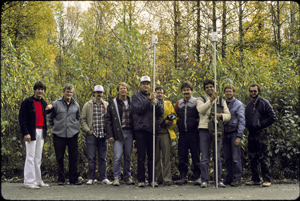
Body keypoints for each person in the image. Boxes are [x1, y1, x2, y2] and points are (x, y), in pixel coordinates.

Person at [197, 79, 231, 188]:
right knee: (204, 156)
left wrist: (220, 116)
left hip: (217, 129)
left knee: (217, 156)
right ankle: (204, 180)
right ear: (205, 89)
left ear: (214, 87)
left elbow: (228, 115)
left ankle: (218, 180)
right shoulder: (200, 99)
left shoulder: (221, 100)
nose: (209, 89)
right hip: (204, 129)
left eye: (211, 86)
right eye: (207, 87)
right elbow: (201, 110)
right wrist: (211, 100)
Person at [131, 75, 163, 187]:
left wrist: (156, 104)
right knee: (141, 156)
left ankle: (152, 179)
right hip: (140, 129)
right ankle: (141, 180)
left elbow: (160, 113)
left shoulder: (154, 98)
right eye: (144, 83)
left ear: (150, 86)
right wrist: (149, 100)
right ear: (140, 85)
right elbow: (139, 110)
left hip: (151, 130)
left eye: (148, 84)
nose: (146, 85)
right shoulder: (135, 97)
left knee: (151, 156)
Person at [47, 84, 81, 185]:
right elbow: (50, 117)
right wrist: (54, 127)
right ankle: (61, 179)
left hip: (73, 134)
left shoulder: (76, 105)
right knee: (59, 157)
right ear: (63, 92)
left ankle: (73, 179)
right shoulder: (56, 104)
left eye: (71, 92)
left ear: (72, 93)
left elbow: (78, 117)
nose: (69, 94)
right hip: (59, 135)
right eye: (67, 92)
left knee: (73, 157)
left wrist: (74, 126)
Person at [19, 81, 50, 189]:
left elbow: (49, 113)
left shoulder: (43, 103)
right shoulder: (27, 102)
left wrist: (51, 107)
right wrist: (26, 133)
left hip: (41, 131)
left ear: (44, 91)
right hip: (31, 132)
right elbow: (22, 119)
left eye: (42, 89)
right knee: (30, 157)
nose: (40, 91)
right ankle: (29, 182)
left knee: (38, 157)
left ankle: (38, 180)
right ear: (35, 90)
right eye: (38, 89)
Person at [245, 83, 276, 187]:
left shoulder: (264, 103)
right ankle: (255, 179)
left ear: (258, 91)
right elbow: (246, 117)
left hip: (262, 133)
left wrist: (261, 124)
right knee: (252, 157)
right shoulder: (249, 104)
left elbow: (272, 117)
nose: (253, 93)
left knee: (264, 156)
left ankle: (267, 179)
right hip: (251, 133)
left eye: (255, 91)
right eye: (251, 91)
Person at [81, 85, 112, 185]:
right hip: (92, 135)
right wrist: (87, 130)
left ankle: (103, 177)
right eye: (97, 92)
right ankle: (91, 178)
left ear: (103, 94)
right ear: (94, 93)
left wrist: (108, 132)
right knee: (91, 158)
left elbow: (110, 120)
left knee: (103, 158)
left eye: (101, 92)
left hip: (103, 135)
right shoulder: (88, 105)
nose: (99, 94)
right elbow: (83, 119)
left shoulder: (107, 104)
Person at [106, 82, 135, 186]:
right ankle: (117, 177)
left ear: (127, 90)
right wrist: (110, 135)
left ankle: (128, 176)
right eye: (121, 88)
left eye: (125, 88)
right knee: (117, 156)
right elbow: (108, 120)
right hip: (118, 133)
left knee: (128, 156)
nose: (123, 90)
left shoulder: (131, 102)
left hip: (129, 132)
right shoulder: (113, 103)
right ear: (118, 90)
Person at [174, 81, 201, 185]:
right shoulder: (178, 103)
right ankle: (183, 176)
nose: (186, 92)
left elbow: (201, 115)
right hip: (182, 133)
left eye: (188, 90)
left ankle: (197, 176)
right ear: (182, 91)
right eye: (184, 90)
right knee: (182, 155)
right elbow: (174, 115)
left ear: (192, 91)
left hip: (194, 133)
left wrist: (195, 122)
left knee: (196, 155)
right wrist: (178, 122)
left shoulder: (196, 101)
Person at [222, 84, 245, 187]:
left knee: (235, 157)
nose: (228, 93)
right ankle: (229, 177)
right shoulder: (223, 103)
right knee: (227, 157)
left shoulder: (239, 104)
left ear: (234, 92)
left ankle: (237, 178)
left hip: (234, 132)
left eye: (230, 91)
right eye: (226, 91)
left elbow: (241, 120)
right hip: (225, 133)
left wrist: (239, 136)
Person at [154, 86, 177, 186]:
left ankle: (167, 178)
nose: (159, 94)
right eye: (158, 92)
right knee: (156, 157)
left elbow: (174, 117)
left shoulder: (168, 103)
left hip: (165, 133)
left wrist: (170, 122)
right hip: (155, 133)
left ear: (164, 94)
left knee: (166, 157)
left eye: (161, 93)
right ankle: (158, 178)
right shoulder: (152, 103)